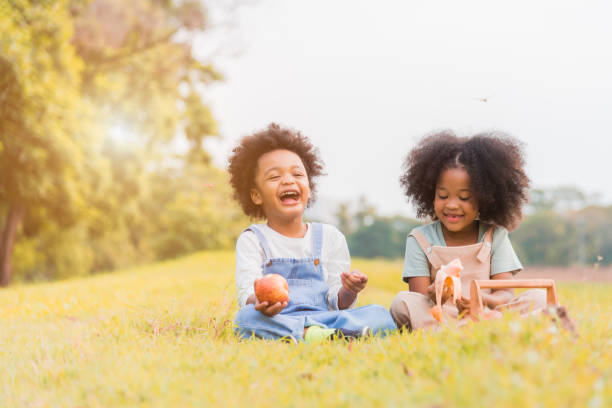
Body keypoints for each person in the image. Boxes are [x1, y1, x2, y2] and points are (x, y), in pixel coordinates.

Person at [229, 123, 396, 342]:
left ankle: (318, 334)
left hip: (326, 318)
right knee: (245, 319)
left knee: (380, 314)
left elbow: (338, 302)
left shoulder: (330, 237)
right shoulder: (253, 240)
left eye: (297, 174)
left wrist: (349, 289)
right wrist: (260, 303)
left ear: (309, 185)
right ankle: (317, 335)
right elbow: (246, 296)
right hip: (279, 319)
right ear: (256, 195)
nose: (288, 180)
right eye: (274, 177)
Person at [390, 130, 546, 331]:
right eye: (443, 196)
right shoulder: (419, 239)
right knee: (402, 302)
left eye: (464, 198)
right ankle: (473, 329)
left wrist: (481, 299)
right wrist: (436, 293)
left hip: (487, 310)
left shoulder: (494, 236)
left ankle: (475, 326)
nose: (452, 205)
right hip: (442, 314)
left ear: (485, 198)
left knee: (539, 297)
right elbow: (419, 298)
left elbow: (506, 294)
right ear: (430, 194)